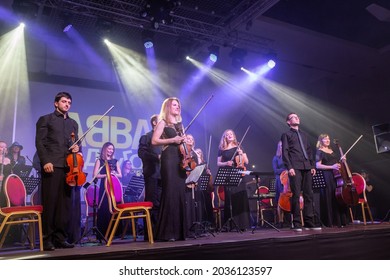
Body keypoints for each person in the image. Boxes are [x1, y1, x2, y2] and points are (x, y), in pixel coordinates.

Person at [35, 91, 80, 250]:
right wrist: (46, 161)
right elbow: (40, 143)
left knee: (64, 205)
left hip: (68, 167)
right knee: (50, 203)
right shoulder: (46, 119)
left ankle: (60, 238)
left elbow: (76, 143)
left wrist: (77, 147)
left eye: (69, 102)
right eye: (64, 101)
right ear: (56, 103)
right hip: (52, 166)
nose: (67, 104)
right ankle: (46, 239)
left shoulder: (73, 123)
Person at [151, 97, 187, 241]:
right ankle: (167, 233)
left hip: (179, 159)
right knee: (170, 193)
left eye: (178, 105)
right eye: (174, 105)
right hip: (169, 159)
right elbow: (154, 141)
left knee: (179, 193)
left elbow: (181, 143)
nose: (177, 107)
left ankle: (179, 232)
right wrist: (173, 140)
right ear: (168, 107)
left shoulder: (179, 125)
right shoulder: (163, 123)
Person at [281, 112, 321, 231]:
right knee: (296, 195)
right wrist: (290, 167)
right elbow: (285, 152)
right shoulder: (286, 135)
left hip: (307, 166)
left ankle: (309, 222)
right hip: (295, 167)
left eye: (297, 116)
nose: (297, 117)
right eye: (293, 117)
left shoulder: (304, 135)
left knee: (309, 195)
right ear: (288, 122)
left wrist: (312, 165)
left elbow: (309, 151)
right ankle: (297, 223)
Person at [217, 129, 251, 231]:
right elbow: (218, 163)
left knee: (240, 198)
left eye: (231, 134)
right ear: (225, 137)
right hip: (228, 175)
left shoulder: (239, 147)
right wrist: (226, 163)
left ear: (234, 136)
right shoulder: (221, 149)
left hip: (239, 174)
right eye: (227, 135)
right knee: (230, 199)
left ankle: (243, 224)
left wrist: (241, 153)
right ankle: (231, 225)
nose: (230, 135)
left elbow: (247, 161)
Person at [138, 114, 162, 239]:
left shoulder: (164, 138)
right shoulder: (146, 137)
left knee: (161, 204)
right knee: (152, 204)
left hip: (163, 175)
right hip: (152, 174)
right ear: (154, 123)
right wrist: (156, 157)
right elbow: (141, 153)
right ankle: (151, 234)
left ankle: (160, 231)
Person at [315, 134, 347, 228]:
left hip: (336, 175)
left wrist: (342, 161)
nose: (328, 140)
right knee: (330, 197)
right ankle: (330, 221)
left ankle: (340, 221)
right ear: (321, 141)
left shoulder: (332, 151)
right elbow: (318, 165)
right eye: (325, 139)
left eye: (328, 138)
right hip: (327, 176)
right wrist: (331, 167)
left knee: (338, 197)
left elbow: (337, 163)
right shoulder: (319, 151)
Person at [93, 142, 122, 239]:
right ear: (104, 149)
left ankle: (114, 233)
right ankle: (103, 234)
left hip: (113, 186)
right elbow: (95, 175)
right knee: (105, 207)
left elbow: (120, 175)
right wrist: (106, 175)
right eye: (109, 149)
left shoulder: (115, 161)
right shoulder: (100, 161)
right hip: (104, 186)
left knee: (113, 207)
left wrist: (114, 174)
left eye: (112, 149)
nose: (111, 151)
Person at [272, 140, 287, 226]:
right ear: (279, 147)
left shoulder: (288, 156)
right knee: (280, 200)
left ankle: (291, 219)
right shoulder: (276, 158)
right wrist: (285, 170)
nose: (283, 147)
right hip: (280, 180)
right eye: (281, 146)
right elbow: (275, 170)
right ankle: (281, 221)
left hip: (288, 180)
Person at [0, 140, 11, 207]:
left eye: (5, 147)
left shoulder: (8, 160)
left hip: (6, 184)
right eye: (1, 147)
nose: (3, 149)